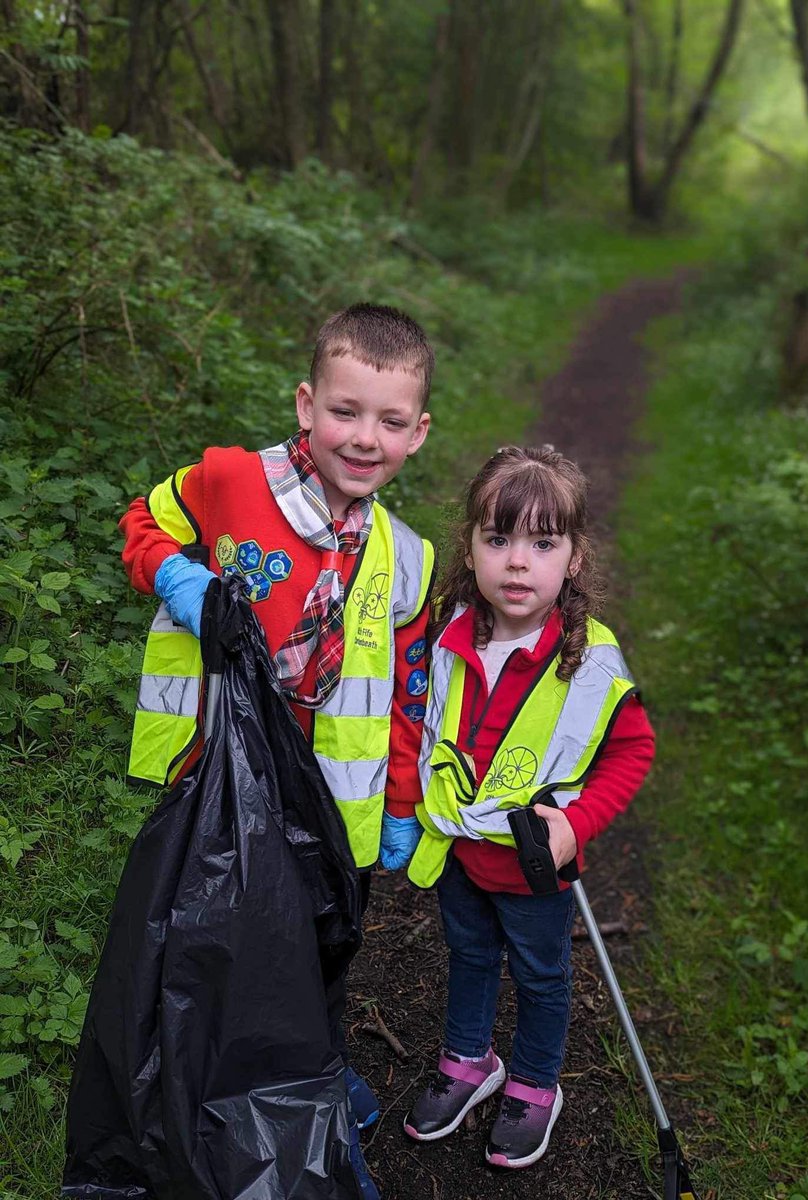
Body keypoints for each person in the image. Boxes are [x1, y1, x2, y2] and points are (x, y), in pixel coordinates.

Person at [120, 303, 436, 1198]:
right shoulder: (228, 481)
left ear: (419, 433)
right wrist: (176, 574)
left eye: (389, 420)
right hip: (220, 783)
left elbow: (408, 697)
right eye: (344, 410)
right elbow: (144, 522)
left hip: (335, 805)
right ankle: (208, 1105)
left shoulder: (406, 558)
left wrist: (405, 803)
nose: (363, 437)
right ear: (306, 405)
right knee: (218, 948)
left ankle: (317, 1098)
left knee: (324, 954)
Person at [402, 445, 656, 1170]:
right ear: (472, 548)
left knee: (543, 977)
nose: (519, 563)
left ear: (573, 559)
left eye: (543, 544)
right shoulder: (447, 635)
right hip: (458, 851)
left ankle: (537, 1085)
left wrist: (577, 823)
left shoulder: (590, 659)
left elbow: (631, 752)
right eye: (499, 539)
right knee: (470, 956)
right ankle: (468, 1061)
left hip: (535, 865)